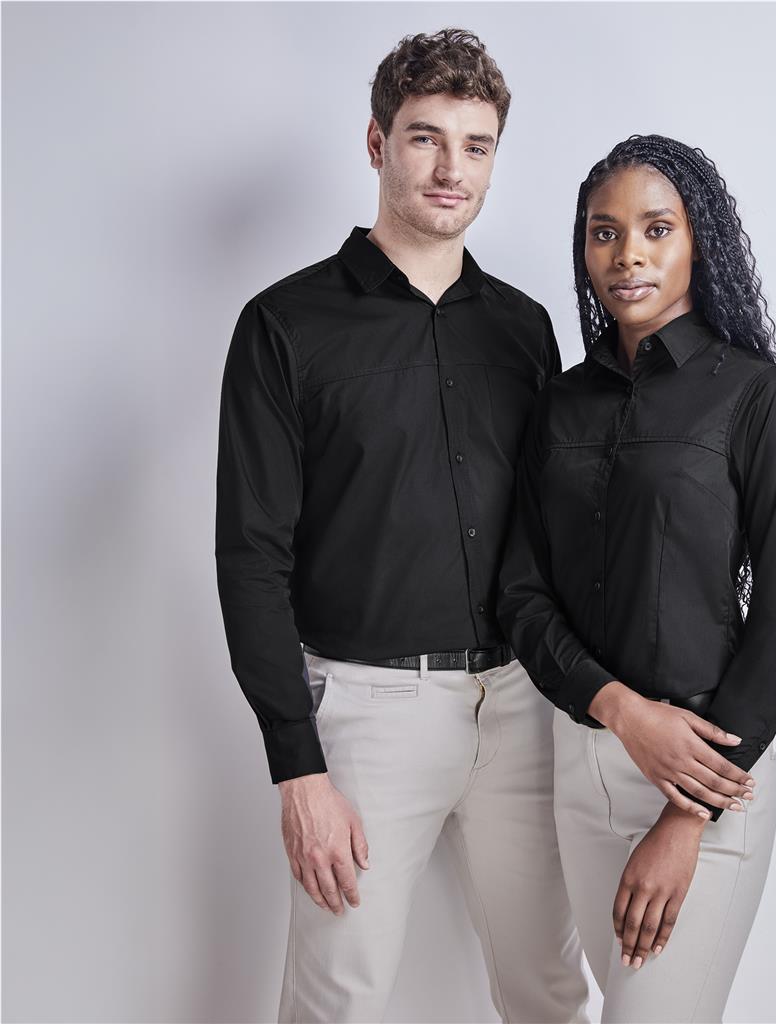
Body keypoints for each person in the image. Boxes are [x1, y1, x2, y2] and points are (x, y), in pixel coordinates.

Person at [215, 29, 589, 1024]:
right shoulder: (284, 326)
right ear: (377, 143)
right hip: (368, 712)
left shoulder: (524, 329)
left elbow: (554, 530)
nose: (451, 168)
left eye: (476, 145)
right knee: (336, 999)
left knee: (551, 991)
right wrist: (298, 766)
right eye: (426, 138)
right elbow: (249, 556)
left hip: (520, 706)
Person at [497, 134, 776, 1023]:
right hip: (582, 769)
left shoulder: (755, 397)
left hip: (705, 780)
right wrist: (620, 710)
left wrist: (687, 819)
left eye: (655, 228)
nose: (627, 254)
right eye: (603, 233)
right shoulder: (559, 404)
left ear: (697, 242)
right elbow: (522, 592)